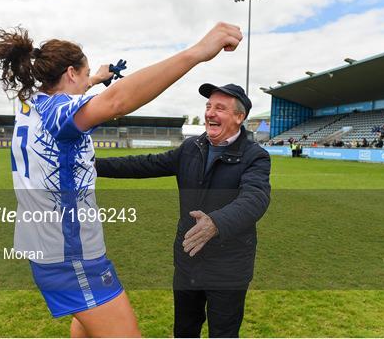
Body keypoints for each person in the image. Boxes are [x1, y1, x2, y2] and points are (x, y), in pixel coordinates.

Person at [0, 22, 243, 337]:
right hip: (72, 258)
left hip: (49, 250)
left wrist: (96, 77)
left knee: (84, 325)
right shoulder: (61, 115)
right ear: (71, 73)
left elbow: (72, 94)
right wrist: (196, 53)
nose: (88, 84)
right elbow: (116, 102)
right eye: (83, 76)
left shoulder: (31, 104)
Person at [96, 83, 271, 337]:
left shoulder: (255, 156)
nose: (210, 113)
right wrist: (93, 166)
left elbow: (255, 198)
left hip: (229, 268)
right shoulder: (192, 147)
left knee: (224, 333)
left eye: (220, 108)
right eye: (208, 106)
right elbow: (146, 164)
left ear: (239, 117)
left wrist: (216, 223)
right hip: (188, 261)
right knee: (185, 331)